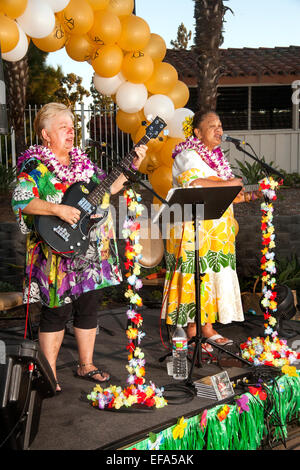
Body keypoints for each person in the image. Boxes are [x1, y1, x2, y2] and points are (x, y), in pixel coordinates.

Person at [11, 102, 147, 392]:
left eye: (72, 127)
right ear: (46, 135)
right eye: (63, 127)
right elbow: (21, 201)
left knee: (88, 305)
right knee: (56, 311)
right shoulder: (36, 166)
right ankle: (49, 375)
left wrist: (133, 163)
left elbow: (108, 187)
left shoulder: (83, 164)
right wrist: (57, 210)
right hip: (55, 251)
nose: (71, 132)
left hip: (87, 250)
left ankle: (86, 365)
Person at [162, 111, 260, 348]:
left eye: (220, 125)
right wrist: (231, 183)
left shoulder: (215, 159)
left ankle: (207, 328)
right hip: (193, 233)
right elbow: (194, 183)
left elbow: (227, 195)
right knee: (195, 277)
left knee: (213, 277)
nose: (219, 129)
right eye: (212, 125)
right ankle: (192, 330)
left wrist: (251, 195)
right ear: (197, 132)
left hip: (217, 234)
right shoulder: (187, 155)